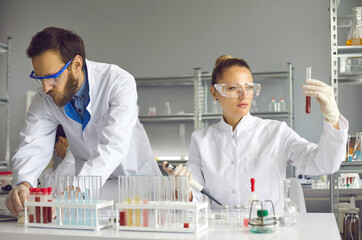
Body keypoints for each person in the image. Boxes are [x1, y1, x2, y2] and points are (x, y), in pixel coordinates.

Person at [6, 27, 161, 217]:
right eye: (40, 78)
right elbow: (33, 143)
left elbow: (114, 145)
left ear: (77, 64)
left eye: (53, 77)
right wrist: (23, 183)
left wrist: (77, 190)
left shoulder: (118, 82)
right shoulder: (45, 96)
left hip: (137, 184)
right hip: (92, 192)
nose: (46, 88)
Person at [164, 55, 348, 213]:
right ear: (215, 92)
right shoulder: (201, 139)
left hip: (269, 231)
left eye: (249, 87)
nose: (244, 95)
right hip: (220, 232)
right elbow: (196, 198)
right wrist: (183, 186)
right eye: (233, 88)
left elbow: (322, 165)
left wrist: (332, 118)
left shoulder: (277, 131)